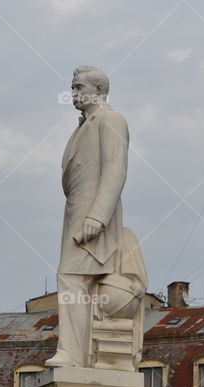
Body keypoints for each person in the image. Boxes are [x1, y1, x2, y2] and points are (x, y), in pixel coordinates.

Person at [45, 65, 129, 368]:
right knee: (72, 281)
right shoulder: (83, 127)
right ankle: (80, 354)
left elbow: (115, 169)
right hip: (75, 214)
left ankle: (71, 354)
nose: (74, 94)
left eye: (79, 87)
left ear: (98, 90)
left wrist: (97, 217)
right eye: (72, 87)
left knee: (71, 279)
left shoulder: (111, 120)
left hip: (92, 217)